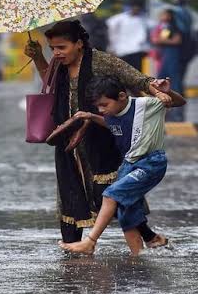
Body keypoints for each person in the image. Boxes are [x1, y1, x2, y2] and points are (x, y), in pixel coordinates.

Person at [24, 20, 177, 247]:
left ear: (78, 44)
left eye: (61, 47)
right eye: (52, 48)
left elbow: (138, 79)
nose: (56, 53)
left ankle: (146, 237)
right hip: (69, 140)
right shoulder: (58, 64)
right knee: (69, 191)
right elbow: (51, 84)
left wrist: (160, 92)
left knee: (113, 193)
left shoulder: (102, 61)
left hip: (101, 137)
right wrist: (38, 57)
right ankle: (71, 247)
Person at [59, 76, 186, 255]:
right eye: (98, 107)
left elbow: (180, 102)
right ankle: (139, 255)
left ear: (121, 96)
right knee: (126, 212)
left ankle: (90, 242)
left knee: (111, 195)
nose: (101, 110)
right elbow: (112, 125)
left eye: (104, 105)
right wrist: (92, 116)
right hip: (129, 163)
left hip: (150, 163)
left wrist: (167, 93)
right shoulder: (110, 114)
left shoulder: (145, 105)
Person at [152, 9, 184, 121]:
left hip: (172, 55)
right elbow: (157, 40)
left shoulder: (172, 27)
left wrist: (160, 40)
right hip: (166, 55)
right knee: (163, 76)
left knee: (173, 77)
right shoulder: (164, 26)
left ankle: (176, 98)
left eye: (164, 14)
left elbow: (176, 40)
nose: (162, 16)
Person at [106, 0, 148, 71]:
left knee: (136, 73)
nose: (136, 9)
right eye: (134, 7)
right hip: (122, 51)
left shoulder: (143, 19)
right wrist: (111, 47)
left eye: (138, 8)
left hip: (137, 50)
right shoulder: (119, 18)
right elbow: (110, 29)